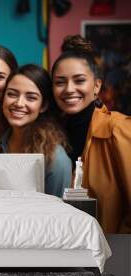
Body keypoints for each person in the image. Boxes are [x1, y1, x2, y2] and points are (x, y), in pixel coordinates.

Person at [51, 35, 131, 233]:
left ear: (97, 85)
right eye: (60, 82)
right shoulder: (51, 134)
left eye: (79, 80)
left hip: (113, 255)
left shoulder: (119, 129)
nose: (69, 89)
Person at [0, 64, 71, 197]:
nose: (19, 103)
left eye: (31, 97)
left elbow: (57, 215)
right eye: (12, 94)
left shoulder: (56, 160)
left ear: (43, 106)